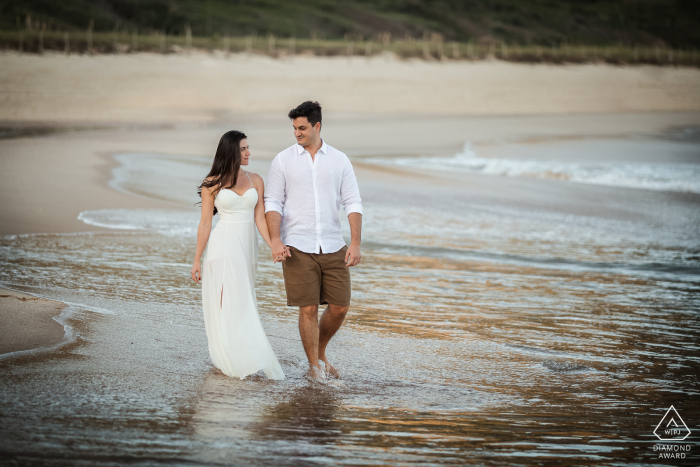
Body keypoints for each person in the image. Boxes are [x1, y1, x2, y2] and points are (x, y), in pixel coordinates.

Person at [265, 101, 362, 380]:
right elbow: (273, 201)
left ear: (317, 126)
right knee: (307, 308)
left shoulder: (339, 160)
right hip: (297, 245)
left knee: (340, 306)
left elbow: (352, 201)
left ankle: (319, 352)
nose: (297, 133)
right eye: (294, 128)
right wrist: (275, 239)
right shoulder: (283, 160)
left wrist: (355, 242)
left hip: (333, 244)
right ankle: (314, 367)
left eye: (302, 128)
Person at [191, 130, 286, 380]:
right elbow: (204, 224)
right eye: (243, 149)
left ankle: (238, 350)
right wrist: (197, 259)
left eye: (248, 148)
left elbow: (260, 218)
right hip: (223, 245)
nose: (248, 152)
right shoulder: (212, 183)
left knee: (243, 299)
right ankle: (227, 355)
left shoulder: (256, 180)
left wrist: (273, 245)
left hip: (247, 247)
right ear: (231, 151)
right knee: (227, 299)